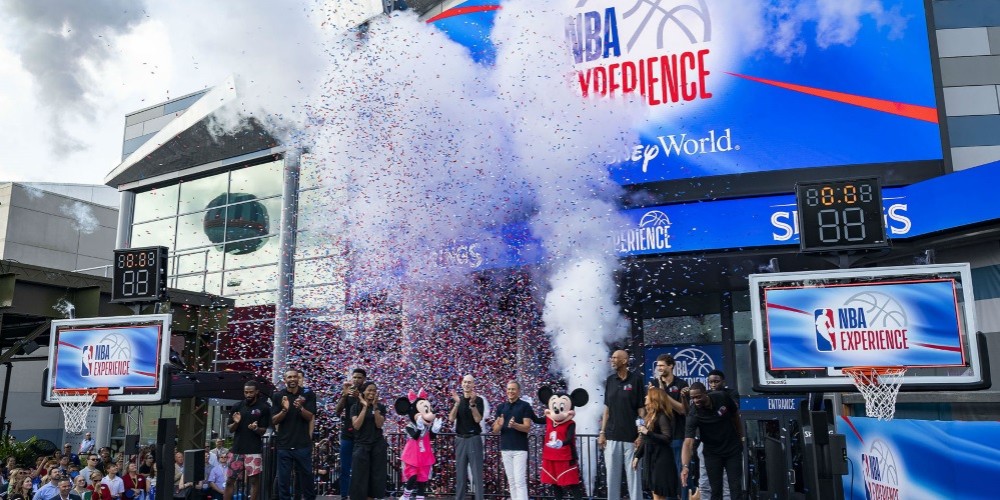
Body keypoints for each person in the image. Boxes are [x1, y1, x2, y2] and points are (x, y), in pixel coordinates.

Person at [682, 382, 744, 500]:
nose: (696, 401)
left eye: (698, 396)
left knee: (736, 488)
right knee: (715, 490)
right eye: (693, 398)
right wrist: (685, 466)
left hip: (732, 449)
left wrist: (741, 437)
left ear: (706, 393)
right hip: (712, 453)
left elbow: (735, 415)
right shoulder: (694, 414)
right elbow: (688, 443)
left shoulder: (722, 397)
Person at [599, 350, 645, 500]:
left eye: (615, 358)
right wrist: (602, 432)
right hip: (612, 437)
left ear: (624, 361)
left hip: (632, 438)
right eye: (611, 357)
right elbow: (606, 409)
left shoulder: (636, 380)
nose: (612, 360)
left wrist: (640, 434)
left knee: (634, 479)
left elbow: (641, 409)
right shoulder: (610, 380)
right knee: (611, 480)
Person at [271, 369, 317, 500]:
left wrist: (300, 408)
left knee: (307, 477)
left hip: (302, 444)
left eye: (294, 377)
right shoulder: (278, 396)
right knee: (283, 480)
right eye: (289, 377)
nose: (292, 379)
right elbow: (274, 420)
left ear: (298, 379)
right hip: (284, 445)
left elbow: (310, 417)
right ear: (285, 380)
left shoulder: (308, 394)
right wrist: (285, 410)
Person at [650, 354, 689, 499]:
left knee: (681, 473)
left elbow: (682, 410)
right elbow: (652, 409)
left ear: (671, 366)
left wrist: (662, 393)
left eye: (662, 365)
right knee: (666, 475)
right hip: (661, 437)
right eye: (657, 366)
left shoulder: (681, 384)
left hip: (678, 434)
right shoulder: (653, 383)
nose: (659, 368)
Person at [491, 381, 537, 500]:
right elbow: (495, 430)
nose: (510, 391)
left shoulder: (525, 406)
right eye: (509, 389)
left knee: (519, 481)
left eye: (513, 389)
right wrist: (500, 425)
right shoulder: (501, 407)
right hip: (505, 448)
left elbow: (527, 427)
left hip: (520, 449)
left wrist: (515, 425)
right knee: (511, 481)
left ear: (518, 391)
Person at [226, 380, 271, 500]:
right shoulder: (237, 406)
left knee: (254, 482)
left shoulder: (264, 408)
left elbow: (263, 430)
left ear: (257, 392)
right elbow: (230, 429)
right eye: (246, 392)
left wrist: (256, 428)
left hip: (254, 450)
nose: (248, 394)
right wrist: (236, 423)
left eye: (251, 392)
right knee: (230, 480)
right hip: (237, 450)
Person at [699, 370, 740, 500]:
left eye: (716, 381)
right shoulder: (705, 395)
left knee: (731, 484)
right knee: (708, 481)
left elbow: (734, 409)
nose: (713, 384)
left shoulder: (730, 393)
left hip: (729, 442)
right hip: (709, 443)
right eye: (710, 382)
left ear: (724, 382)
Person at [631, 387, 678, 500]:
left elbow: (667, 438)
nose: (645, 397)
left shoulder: (662, 416)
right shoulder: (650, 416)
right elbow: (646, 439)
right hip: (651, 457)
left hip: (661, 458)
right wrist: (637, 456)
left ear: (654, 398)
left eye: (648, 395)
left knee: (658, 493)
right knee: (655, 493)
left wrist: (649, 432)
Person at [348, 382, 387, 500]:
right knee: (359, 475)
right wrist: (365, 407)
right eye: (369, 390)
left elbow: (379, 424)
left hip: (377, 444)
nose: (372, 393)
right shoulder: (355, 407)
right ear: (363, 392)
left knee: (376, 475)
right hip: (361, 444)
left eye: (374, 390)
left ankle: (372, 497)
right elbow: (356, 425)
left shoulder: (380, 407)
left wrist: (374, 407)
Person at [449, 374, 485, 500]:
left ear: (473, 384)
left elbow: (477, 419)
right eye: (465, 382)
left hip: (473, 438)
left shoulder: (478, 400)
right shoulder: (458, 400)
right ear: (462, 384)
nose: (467, 384)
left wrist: (472, 404)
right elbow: (451, 418)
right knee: (460, 475)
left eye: (469, 382)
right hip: (460, 439)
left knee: (477, 474)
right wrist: (457, 404)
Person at [332, 368, 366, 497]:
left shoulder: (367, 392)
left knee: (361, 467)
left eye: (359, 377)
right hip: (347, 434)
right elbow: (337, 411)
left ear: (364, 379)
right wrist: (344, 395)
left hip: (362, 436)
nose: (356, 380)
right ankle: (344, 495)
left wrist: (360, 397)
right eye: (355, 377)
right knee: (345, 467)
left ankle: (360, 494)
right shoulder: (347, 393)